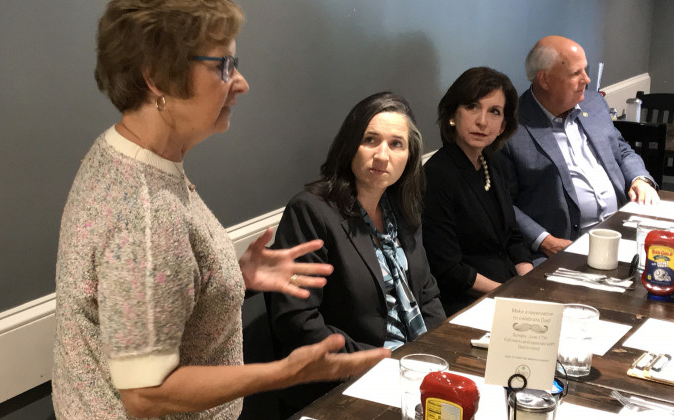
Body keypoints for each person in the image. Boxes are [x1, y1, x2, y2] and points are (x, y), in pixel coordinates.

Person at [51, 1, 389, 419]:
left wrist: (231, 276)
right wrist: (285, 372)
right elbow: (147, 394)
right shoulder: (145, 209)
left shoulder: (124, 154)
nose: (241, 82)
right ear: (156, 77)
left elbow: (143, 288)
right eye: (223, 65)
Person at [267, 92, 446, 414]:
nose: (382, 155)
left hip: (414, 373)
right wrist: (386, 362)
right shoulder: (311, 211)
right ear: (350, 145)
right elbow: (298, 321)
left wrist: (434, 353)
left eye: (396, 144)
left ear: (409, 155)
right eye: (370, 140)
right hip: (345, 385)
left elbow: (427, 294)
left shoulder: (402, 209)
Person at [501, 35, 659, 263]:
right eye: (576, 73)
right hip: (564, 247)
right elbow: (504, 203)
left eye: (585, 70)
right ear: (544, 80)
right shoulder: (511, 127)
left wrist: (639, 179)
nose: (587, 79)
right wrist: (544, 240)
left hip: (623, 230)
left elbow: (621, 150)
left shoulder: (593, 104)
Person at [421, 67, 533, 316]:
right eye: (472, 106)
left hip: (509, 290)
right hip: (466, 304)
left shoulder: (494, 163)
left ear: (503, 125)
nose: (482, 121)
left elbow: (512, 235)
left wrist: (530, 282)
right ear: (453, 114)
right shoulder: (437, 175)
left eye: (494, 112)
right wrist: (510, 292)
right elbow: (448, 268)